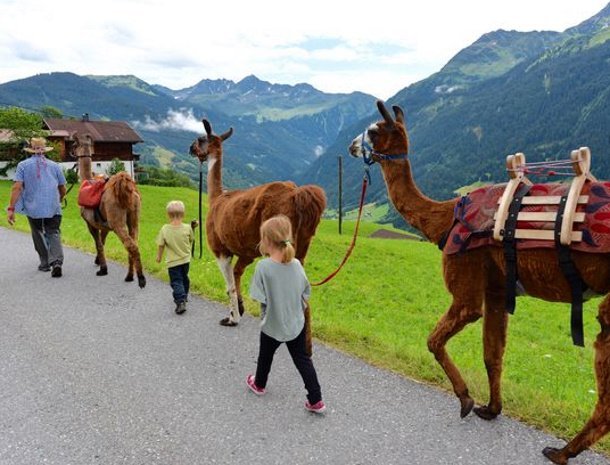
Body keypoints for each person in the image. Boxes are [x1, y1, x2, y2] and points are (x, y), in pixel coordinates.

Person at [246, 215, 326, 414]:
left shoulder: (263, 267)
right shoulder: (297, 264)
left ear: (266, 240)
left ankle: (259, 384)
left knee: (265, 355)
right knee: (303, 360)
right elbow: (306, 292)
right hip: (295, 323)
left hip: (272, 323)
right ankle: (316, 400)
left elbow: (258, 297)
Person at [6, 137, 66, 277]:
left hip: (33, 207)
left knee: (37, 232)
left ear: (31, 150)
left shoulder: (23, 165)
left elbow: (17, 187)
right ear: (44, 150)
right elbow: (62, 187)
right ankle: (56, 262)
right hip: (53, 206)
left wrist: (11, 209)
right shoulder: (55, 165)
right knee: (53, 232)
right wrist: (60, 198)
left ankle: (45, 264)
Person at [155, 200, 196, 315]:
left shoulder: (165, 229)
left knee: (176, 281)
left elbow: (161, 245)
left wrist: (158, 257)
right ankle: (185, 295)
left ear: (168, 215)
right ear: (183, 214)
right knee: (184, 278)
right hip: (186, 260)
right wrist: (193, 228)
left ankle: (180, 301)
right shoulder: (187, 228)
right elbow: (191, 239)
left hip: (173, 262)